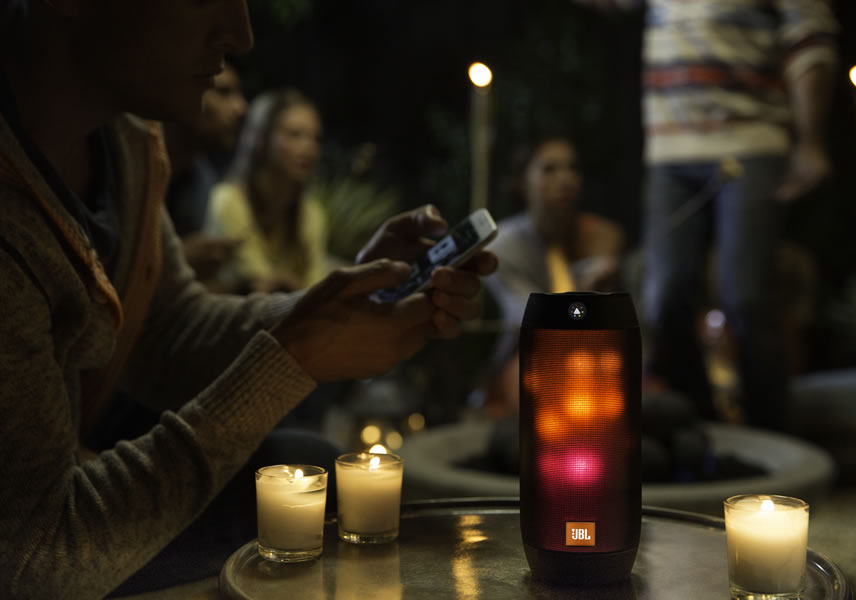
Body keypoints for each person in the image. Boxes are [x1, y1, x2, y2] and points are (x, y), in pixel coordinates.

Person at [0, 2, 496, 598]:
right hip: (47, 548)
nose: (242, 34)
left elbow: (170, 328)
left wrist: (322, 311)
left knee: (312, 467)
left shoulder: (125, 140)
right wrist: (294, 356)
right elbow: (37, 557)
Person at [574, 0, 839, 428]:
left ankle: (769, 435)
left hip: (751, 138)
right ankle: (697, 429)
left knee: (746, 297)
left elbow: (811, 33)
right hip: (670, 148)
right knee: (664, 295)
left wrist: (811, 140)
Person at [483, 136, 625, 417]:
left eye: (573, 168)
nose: (565, 179)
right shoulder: (500, 248)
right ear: (522, 181)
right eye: (549, 169)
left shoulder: (602, 236)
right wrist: (585, 292)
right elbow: (530, 315)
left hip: (593, 359)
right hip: (529, 358)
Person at [206, 89, 333, 293]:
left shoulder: (311, 214)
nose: (309, 148)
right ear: (263, 139)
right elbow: (258, 283)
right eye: (295, 134)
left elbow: (318, 290)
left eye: (316, 138)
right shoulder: (228, 200)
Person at [164, 59, 247, 284]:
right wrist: (179, 259)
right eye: (223, 92)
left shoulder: (202, 179)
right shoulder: (130, 165)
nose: (241, 108)